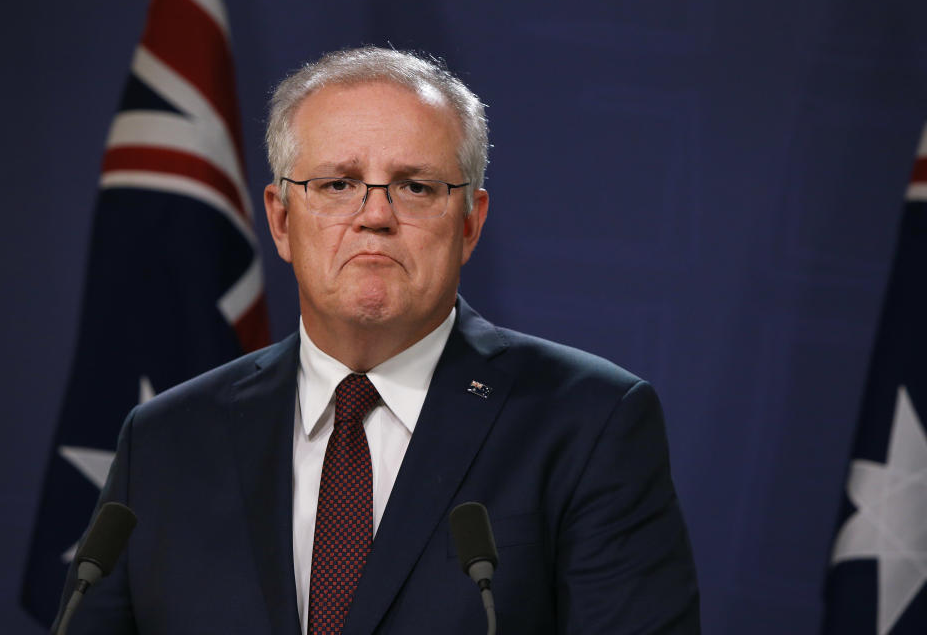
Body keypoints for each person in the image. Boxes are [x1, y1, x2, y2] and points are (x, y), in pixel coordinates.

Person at [58, 47, 700, 634]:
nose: (374, 215)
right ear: (281, 221)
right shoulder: (166, 438)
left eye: (416, 187)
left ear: (470, 224)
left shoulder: (588, 422)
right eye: (338, 184)